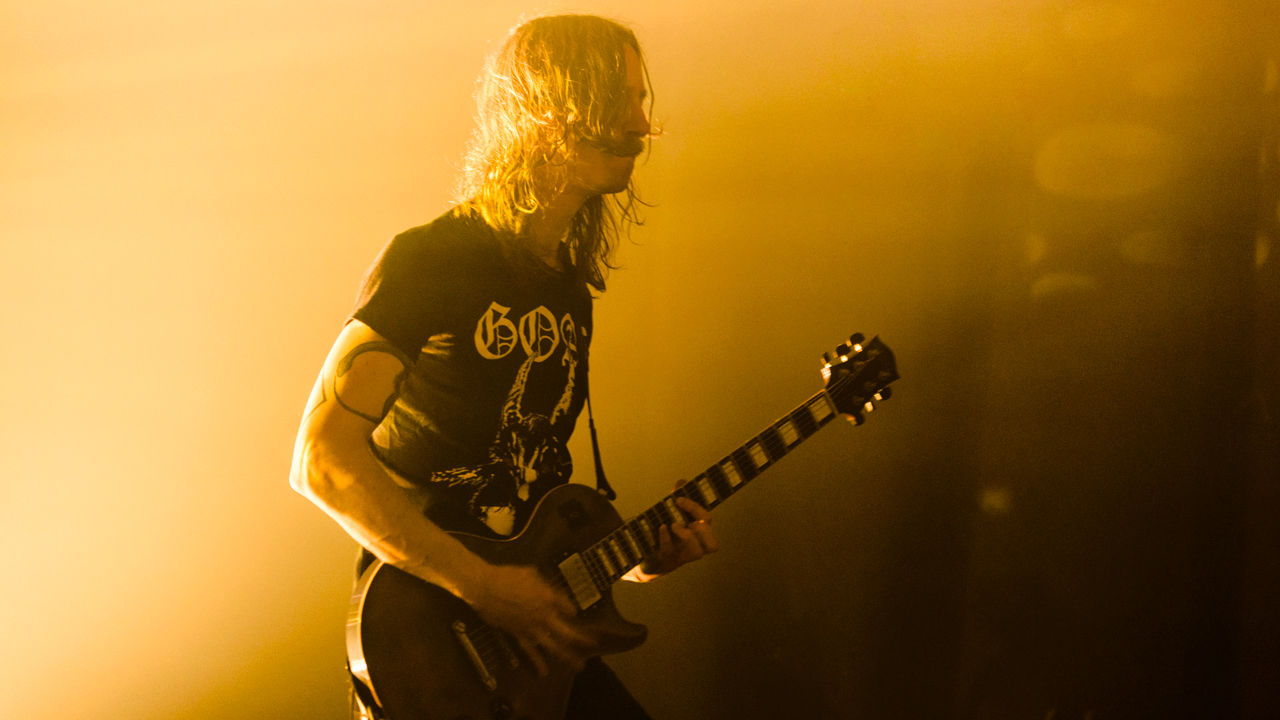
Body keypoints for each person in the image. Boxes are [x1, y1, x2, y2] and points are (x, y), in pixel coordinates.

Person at [288, 14, 719, 720]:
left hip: (534, 648)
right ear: (549, 107)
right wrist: (485, 589)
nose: (643, 125)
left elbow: (535, 503)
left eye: (642, 101)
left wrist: (644, 558)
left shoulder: (567, 288)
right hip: (433, 647)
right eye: (621, 99)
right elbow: (321, 461)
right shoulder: (432, 261)